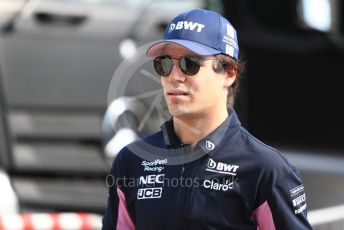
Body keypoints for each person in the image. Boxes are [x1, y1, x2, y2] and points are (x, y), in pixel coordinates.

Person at [102, 8, 312, 230]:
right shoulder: (131, 162)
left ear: (228, 73)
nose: (174, 76)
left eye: (189, 63)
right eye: (164, 63)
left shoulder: (266, 170)